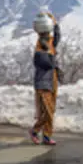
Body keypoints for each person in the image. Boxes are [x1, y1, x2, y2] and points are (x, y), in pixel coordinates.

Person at [29, 13, 61, 145]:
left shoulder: (49, 43)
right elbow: (47, 63)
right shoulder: (40, 49)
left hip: (52, 81)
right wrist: (53, 58)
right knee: (47, 111)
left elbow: (57, 37)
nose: (49, 38)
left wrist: (55, 24)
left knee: (51, 110)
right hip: (43, 83)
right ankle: (35, 130)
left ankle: (47, 136)